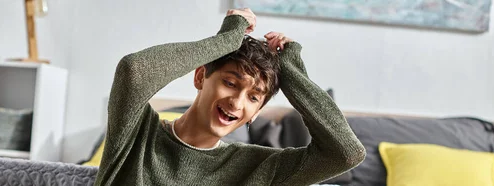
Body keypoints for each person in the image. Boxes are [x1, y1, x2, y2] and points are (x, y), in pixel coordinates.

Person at [94, 8, 366, 186]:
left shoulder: (261, 167)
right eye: (230, 83)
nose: (237, 103)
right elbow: (134, 70)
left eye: (253, 97)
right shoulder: (136, 133)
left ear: (257, 112)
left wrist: (290, 68)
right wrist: (227, 39)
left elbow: (346, 154)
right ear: (200, 77)